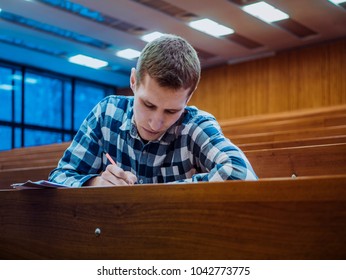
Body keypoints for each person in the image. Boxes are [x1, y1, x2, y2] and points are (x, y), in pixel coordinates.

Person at [49, 34, 257, 187]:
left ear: (189, 98)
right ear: (133, 81)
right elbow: (59, 177)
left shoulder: (196, 125)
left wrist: (151, 193)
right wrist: (96, 183)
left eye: (171, 111)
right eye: (148, 105)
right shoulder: (107, 113)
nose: (156, 123)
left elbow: (242, 174)